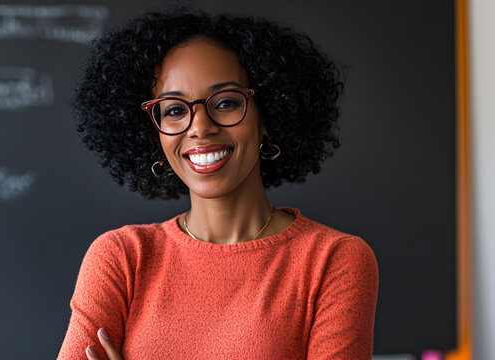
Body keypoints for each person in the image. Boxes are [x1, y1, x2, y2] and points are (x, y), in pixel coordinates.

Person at [57, 7, 378, 360]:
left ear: (267, 116)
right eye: (174, 110)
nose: (200, 127)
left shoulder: (334, 260)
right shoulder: (121, 258)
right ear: (155, 136)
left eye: (225, 103)